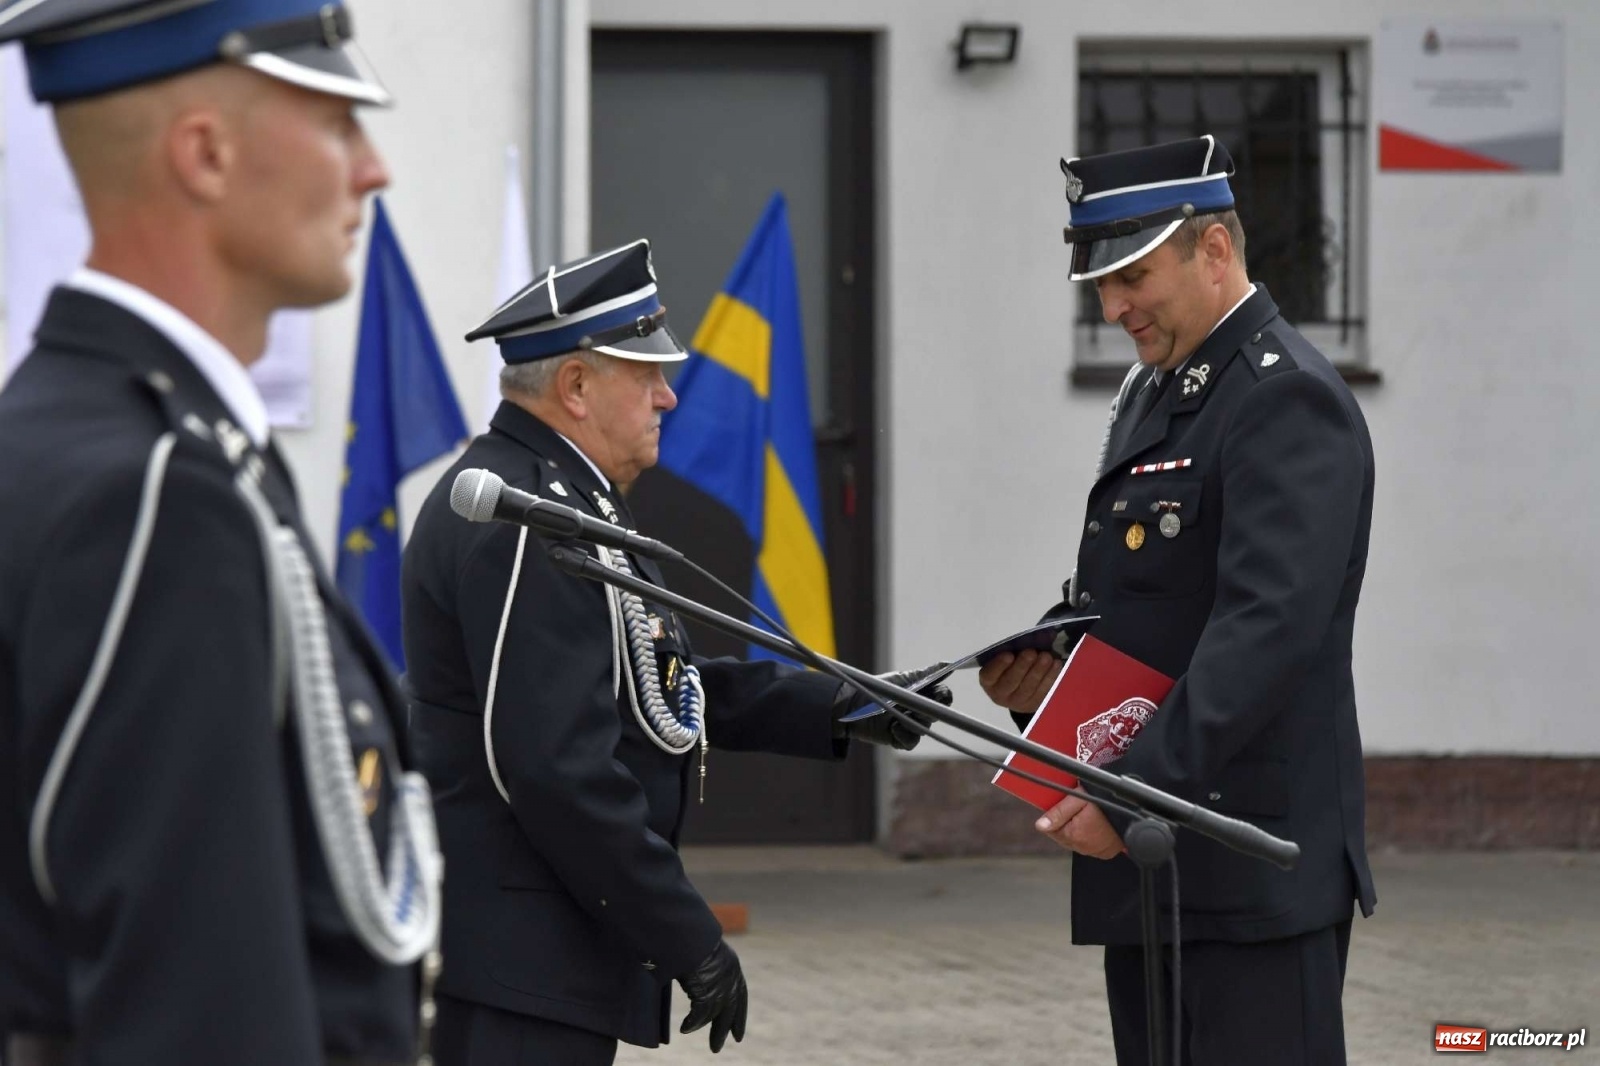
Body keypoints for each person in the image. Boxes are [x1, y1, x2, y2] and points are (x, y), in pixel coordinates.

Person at [0, 3, 442, 1064]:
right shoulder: (157, 497)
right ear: (205, 153)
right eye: (338, 124)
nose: (372, 170)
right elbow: (199, 1011)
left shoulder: (94, 439)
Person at [401, 238, 946, 1065]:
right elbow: (557, 768)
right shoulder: (521, 519)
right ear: (577, 386)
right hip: (521, 957)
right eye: (645, 375)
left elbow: (656, 686)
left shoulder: (570, 498)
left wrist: (841, 706)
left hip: (545, 950)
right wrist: (687, 935)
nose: (667, 397)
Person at [979, 135, 1377, 1065]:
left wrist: (1125, 792)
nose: (1113, 306)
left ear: (1213, 251)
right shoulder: (1153, 393)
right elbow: (1145, 600)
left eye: (1131, 276)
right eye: (1100, 284)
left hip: (1247, 864)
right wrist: (1046, 673)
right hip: (1156, 870)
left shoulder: (1287, 401)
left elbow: (1266, 630)